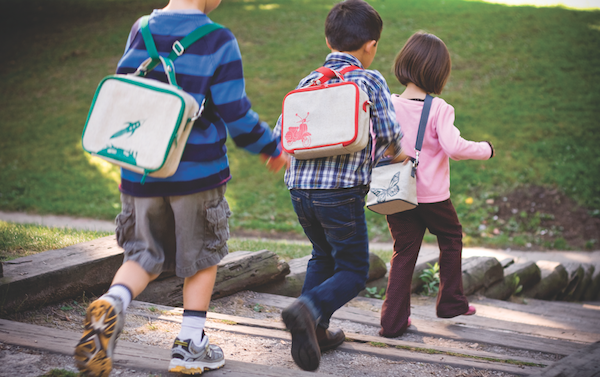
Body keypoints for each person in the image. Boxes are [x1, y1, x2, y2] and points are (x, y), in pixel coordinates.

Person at [74, 1, 287, 376]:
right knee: (201, 258)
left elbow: (127, 91)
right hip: (197, 174)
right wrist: (270, 146)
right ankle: (190, 346)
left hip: (141, 167)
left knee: (142, 254)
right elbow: (235, 112)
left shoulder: (142, 28)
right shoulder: (218, 39)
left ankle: (112, 303)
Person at [272, 0, 405, 371]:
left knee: (322, 255)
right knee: (352, 269)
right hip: (341, 193)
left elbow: (280, 135)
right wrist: (399, 158)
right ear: (371, 45)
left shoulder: (307, 81)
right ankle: (307, 309)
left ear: (328, 41)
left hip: (300, 190)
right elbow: (390, 137)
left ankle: (315, 330)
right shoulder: (370, 79)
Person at [378, 32, 495, 338]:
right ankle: (451, 301)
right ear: (438, 73)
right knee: (451, 235)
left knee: (403, 252)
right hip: (432, 196)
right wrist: (486, 148)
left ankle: (392, 323)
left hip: (397, 192)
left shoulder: (389, 103)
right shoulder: (439, 109)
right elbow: (454, 147)